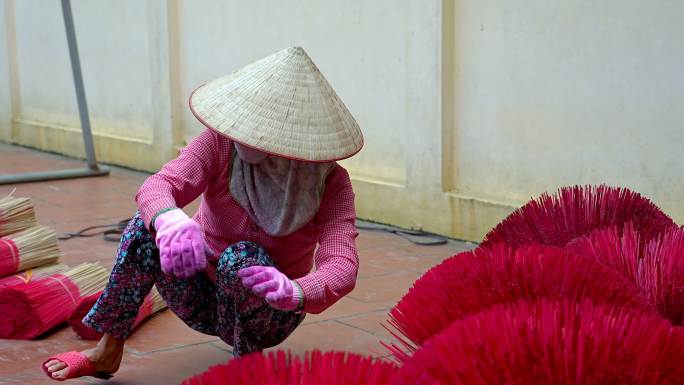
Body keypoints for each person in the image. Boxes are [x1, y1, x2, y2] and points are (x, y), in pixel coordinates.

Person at [42, 46, 364, 381]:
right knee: (143, 229)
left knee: (242, 258)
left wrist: (296, 292)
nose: (244, 137)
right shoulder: (220, 145)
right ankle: (107, 350)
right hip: (200, 293)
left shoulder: (330, 182)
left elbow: (342, 263)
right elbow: (159, 186)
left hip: (268, 311)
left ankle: (246, 369)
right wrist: (171, 221)